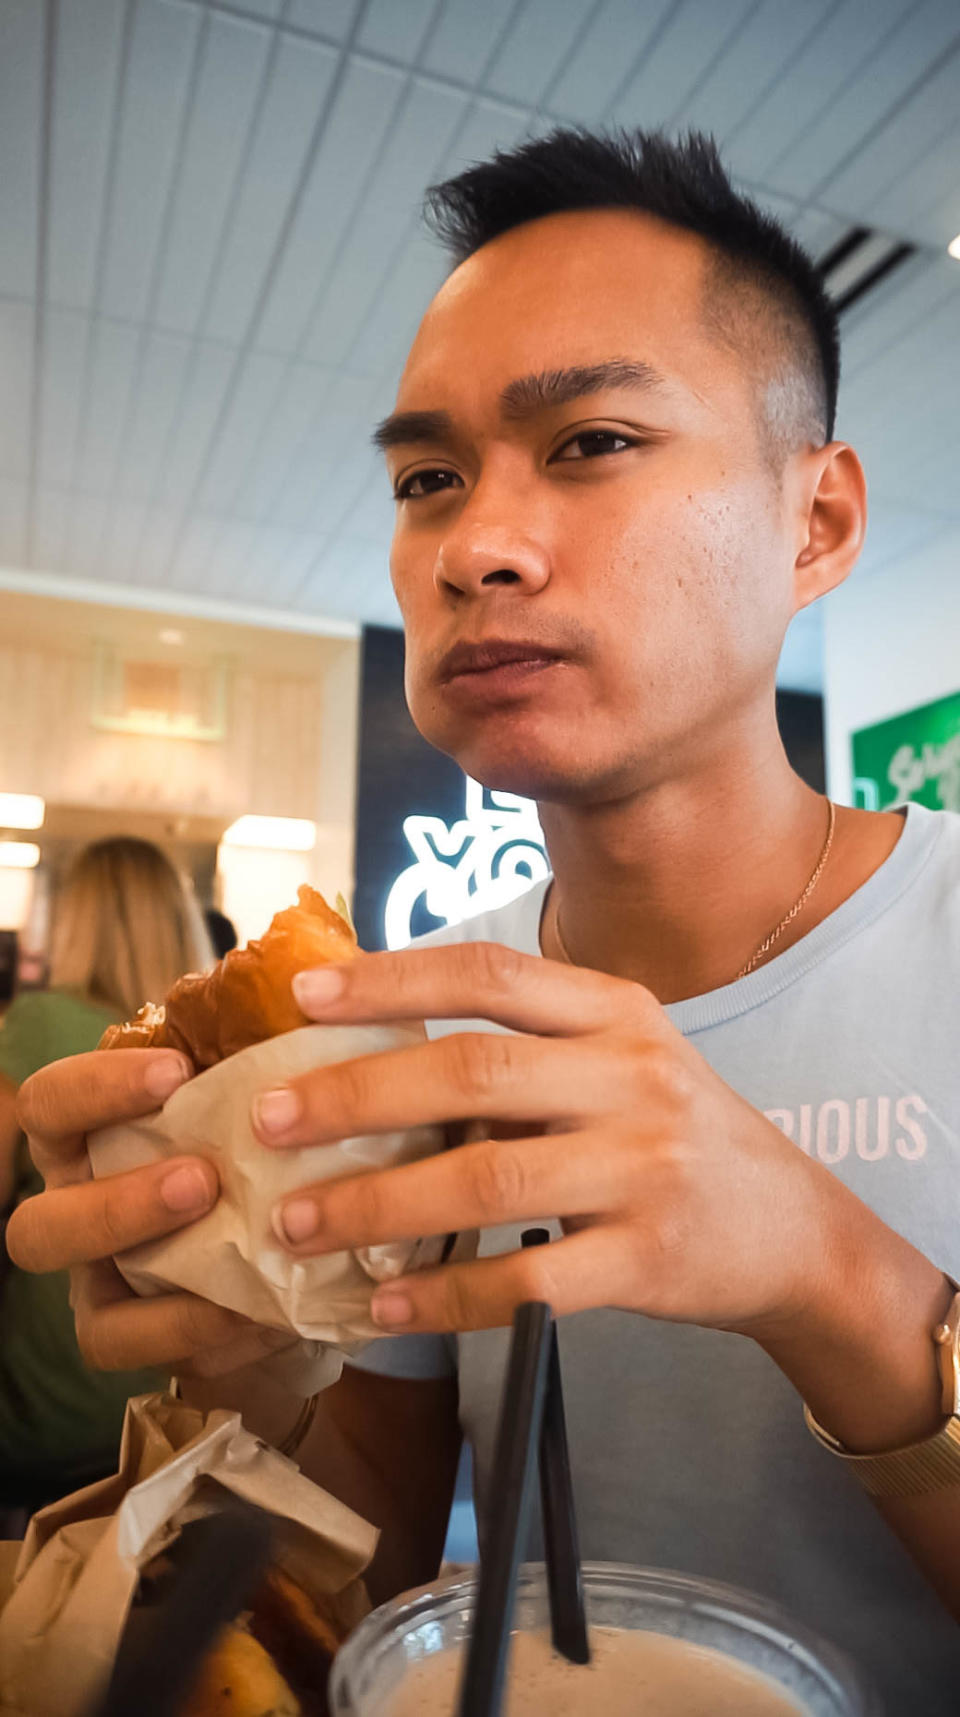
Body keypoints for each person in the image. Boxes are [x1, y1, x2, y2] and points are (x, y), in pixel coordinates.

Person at [7, 130, 960, 1707]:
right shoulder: (419, 1020)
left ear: (819, 524)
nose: (470, 546)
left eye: (589, 441)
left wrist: (826, 1269)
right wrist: (242, 1350)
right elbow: (368, 1577)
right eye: (427, 478)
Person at [0, 837, 213, 1512]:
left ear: (76, 918)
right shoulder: (208, 1047)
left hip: (48, 1386)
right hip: (180, 1396)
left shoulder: (40, 1020)